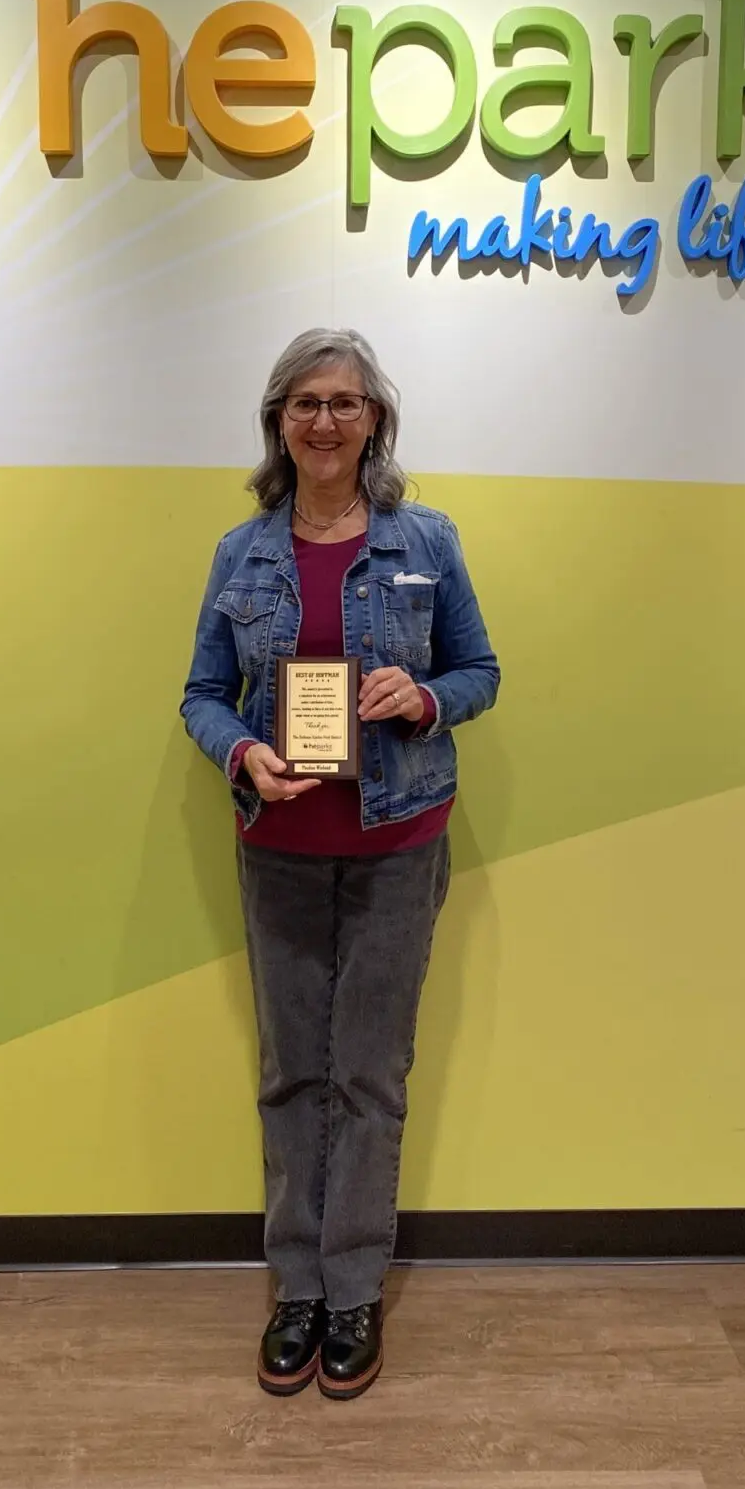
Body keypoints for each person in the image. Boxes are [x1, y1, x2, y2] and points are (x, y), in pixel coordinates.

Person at [181, 328, 500, 1399]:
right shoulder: (243, 553)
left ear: (375, 421)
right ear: (279, 421)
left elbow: (480, 670)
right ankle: (296, 1288)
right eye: (305, 402)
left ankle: (354, 1285)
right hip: (278, 847)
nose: (325, 421)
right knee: (290, 1072)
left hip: (397, 841)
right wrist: (240, 748)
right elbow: (201, 694)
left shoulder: (431, 539)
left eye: (346, 402)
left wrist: (424, 696)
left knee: (368, 1072)